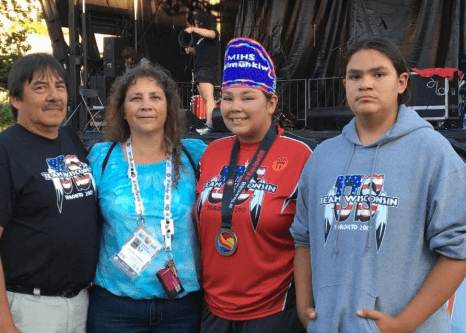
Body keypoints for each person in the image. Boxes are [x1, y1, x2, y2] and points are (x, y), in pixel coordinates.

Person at [290, 37, 466, 332]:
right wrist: (303, 307)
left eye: (378, 74)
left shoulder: (433, 153)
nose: (365, 84)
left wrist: (403, 324)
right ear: (344, 84)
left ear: (401, 82)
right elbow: (303, 239)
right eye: (355, 76)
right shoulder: (323, 158)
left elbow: (459, 252)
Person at [0, 53, 99, 333]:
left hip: (81, 303)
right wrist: (2, 322)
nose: (54, 96)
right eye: (40, 87)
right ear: (16, 99)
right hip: (29, 307)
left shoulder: (71, 140)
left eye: (60, 86)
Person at [195, 37, 314, 333]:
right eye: (228, 97)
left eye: (248, 97)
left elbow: (314, 241)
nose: (235, 107)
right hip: (214, 311)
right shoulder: (211, 152)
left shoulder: (303, 155)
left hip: (274, 313)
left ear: (271, 102)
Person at [86, 63, 206, 333]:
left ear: (168, 107)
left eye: (155, 97)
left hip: (183, 305)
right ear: (123, 110)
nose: (146, 105)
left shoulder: (195, 156)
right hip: (114, 307)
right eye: (136, 98)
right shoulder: (101, 158)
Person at [184, 10, 220, 135]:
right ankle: (208, 123)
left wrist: (193, 29)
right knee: (205, 98)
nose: (196, 25)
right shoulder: (201, 40)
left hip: (207, 68)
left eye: (197, 23)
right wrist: (191, 50)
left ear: (201, 22)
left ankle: (210, 124)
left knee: (208, 97)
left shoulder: (212, 32)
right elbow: (201, 52)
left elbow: (211, 34)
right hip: (200, 68)